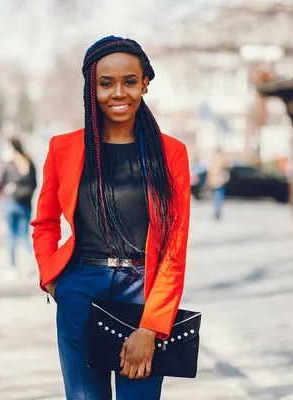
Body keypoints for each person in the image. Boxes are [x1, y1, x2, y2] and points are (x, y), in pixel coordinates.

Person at [30, 36, 191, 399]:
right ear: (92, 87)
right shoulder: (63, 149)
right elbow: (44, 223)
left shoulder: (171, 154)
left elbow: (174, 246)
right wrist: (54, 281)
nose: (119, 93)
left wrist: (151, 327)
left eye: (129, 82)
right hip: (80, 288)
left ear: (144, 84)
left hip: (141, 290)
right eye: (106, 83)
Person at [0, 138, 37, 276]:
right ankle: (30, 263)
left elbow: (0, 182)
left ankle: (13, 267)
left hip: (10, 203)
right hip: (25, 204)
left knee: (12, 235)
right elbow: (35, 184)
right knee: (24, 234)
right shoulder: (29, 162)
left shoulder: (8, 164)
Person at [206, 148, 228, 220]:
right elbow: (224, 168)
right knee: (219, 198)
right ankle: (217, 214)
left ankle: (216, 213)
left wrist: (209, 181)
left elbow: (210, 172)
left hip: (214, 182)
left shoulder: (213, 160)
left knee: (216, 198)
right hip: (219, 182)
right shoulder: (220, 159)